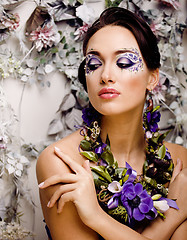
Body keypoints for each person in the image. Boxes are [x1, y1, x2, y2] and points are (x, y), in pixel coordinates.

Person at [36, 7, 187, 240]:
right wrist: (173, 215)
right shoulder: (62, 164)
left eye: (124, 62)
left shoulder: (181, 165)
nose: (105, 75)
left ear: (152, 78)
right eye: (94, 64)